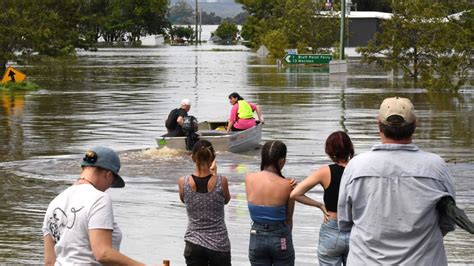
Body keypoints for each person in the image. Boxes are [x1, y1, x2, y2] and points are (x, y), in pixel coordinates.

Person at [338, 97, 456, 265]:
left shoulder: (356, 167)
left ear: (378, 124)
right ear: (415, 124)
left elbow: (344, 222)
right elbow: (449, 220)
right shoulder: (436, 167)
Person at [42, 146, 143, 265]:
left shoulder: (55, 203)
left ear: (83, 169)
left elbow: (49, 262)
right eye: (112, 182)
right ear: (108, 175)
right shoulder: (99, 199)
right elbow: (102, 253)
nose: (108, 187)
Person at [290, 131, 354, 265]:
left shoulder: (325, 172)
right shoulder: (358, 169)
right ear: (350, 149)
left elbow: (295, 194)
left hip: (331, 227)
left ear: (330, 151)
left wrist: (319, 205)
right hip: (354, 228)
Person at [178, 140, 231, 266]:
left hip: (193, 243)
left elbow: (184, 200)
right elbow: (226, 200)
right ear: (213, 157)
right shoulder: (221, 181)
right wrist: (215, 174)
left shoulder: (183, 182)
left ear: (193, 158)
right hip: (219, 244)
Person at [245, 140, 295, 265]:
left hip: (256, 237)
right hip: (280, 238)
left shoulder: (249, 179)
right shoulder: (287, 185)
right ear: (282, 161)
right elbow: (289, 219)